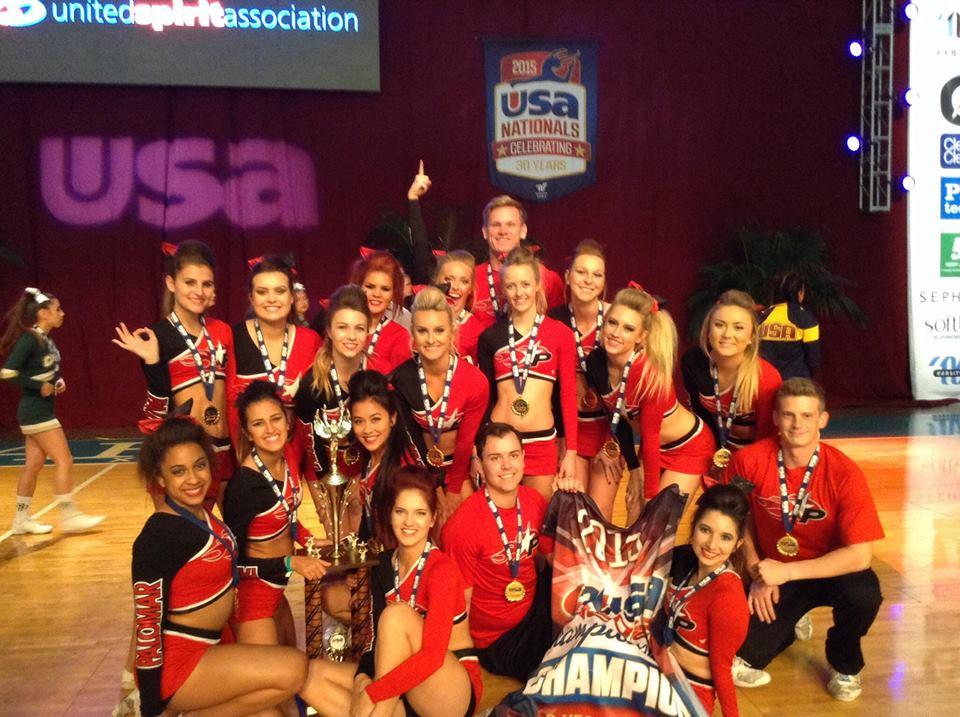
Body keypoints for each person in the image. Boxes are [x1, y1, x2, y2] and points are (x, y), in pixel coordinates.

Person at [131, 415, 312, 716]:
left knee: (271, 713)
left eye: (199, 466)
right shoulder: (158, 536)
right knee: (294, 667)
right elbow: (147, 627)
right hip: (180, 667)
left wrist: (288, 563)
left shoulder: (204, 516)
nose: (193, 479)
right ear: (160, 478)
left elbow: (234, 571)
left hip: (211, 651)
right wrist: (152, 709)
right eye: (178, 472)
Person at [723, 378, 884, 702]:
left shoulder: (844, 473)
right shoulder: (749, 461)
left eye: (807, 416)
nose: (797, 424)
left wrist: (787, 573)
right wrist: (756, 572)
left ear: (822, 419)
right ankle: (791, 621)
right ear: (775, 418)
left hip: (829, 571)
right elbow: (737, 521)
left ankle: (845, 663)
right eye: (789, 415)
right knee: (745, 657)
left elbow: (859, 556)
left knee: (864, 594)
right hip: (773, 570)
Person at [300, 467, 482, 717]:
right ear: (390, 514)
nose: (409, 522)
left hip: (448, 686)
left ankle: (381, 710)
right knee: (310, 675)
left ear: (432, 518)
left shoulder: (442, 569)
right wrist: (363, 678)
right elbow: (373, 638)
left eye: (420, 513)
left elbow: (432, 657)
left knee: (397, 615)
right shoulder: (385, 564)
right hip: (401, 681)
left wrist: (375, 693)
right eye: (401, 512)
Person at [113, 240, 234, 507]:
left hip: (224, 450)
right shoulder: (158, 336)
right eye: (190, 282)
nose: (199, 291)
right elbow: (155, 415)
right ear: (171, 283)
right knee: (184, 535)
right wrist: (153, 363)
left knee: (232, 535)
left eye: (207, 284)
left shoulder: (223, 331)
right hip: (183, 454)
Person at [585, 287, 715, 520]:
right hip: (650, 449)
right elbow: (619, 422)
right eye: (612, 323)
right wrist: (635, 470)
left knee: (654, 523)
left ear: (641, 337)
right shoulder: (596, 362)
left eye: (628, 328)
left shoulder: (650, 375)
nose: (615, 333)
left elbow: (652, 437)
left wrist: (649, 496)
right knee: (632, 515)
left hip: (688, 447)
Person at [441, 422, 553, 682]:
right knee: (558, 671)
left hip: (531, 613)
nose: (507, 466)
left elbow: (551, 563)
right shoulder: (462, 526)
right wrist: (466, 672)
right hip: (498, 640)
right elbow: (460, 606)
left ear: (524, 459)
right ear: (479, 463)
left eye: (513, 455)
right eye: (495, 458)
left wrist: (570, 501)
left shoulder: (534, 501)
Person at [223, 381, 329, 647]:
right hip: (253, 599)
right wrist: (291, 563)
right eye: (258, 424)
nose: (270, 429)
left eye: (275, 419)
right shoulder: (244, 486)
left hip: (277, 591)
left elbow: (287, 516)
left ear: (287, 420)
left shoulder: (287, 460)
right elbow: (232, 563)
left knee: (294, 667)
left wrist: (309, 540)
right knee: (280, 678)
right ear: (247, 432)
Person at [477, 246, 579, 502]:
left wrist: (571, 451)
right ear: (503, 289)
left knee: (539, 520)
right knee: (501, 518)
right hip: (500, 442)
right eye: (511, 286)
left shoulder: (560, 334)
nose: (519, 292)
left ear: (536, 285)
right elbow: (484, 399)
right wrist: (474, 452)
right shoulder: (490, 337)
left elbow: (568, 394)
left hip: (542, 441)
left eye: (525, 284)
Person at [1, 287, 104, 534]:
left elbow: (44, 371)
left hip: (40, 409)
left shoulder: (46, 340)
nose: (62, 313)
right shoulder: (29, 339)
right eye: (57, 309)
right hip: (36, 411)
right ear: (44, 313)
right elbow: (8, 372)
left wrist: (56, 382)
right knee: (65, 460)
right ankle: (69, 515)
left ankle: (21, 521)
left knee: (33, 465)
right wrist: (39, 386)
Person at [392, 286, 488, 518]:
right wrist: (435, 487)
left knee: (462, 527)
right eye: (423, 331)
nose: (432, 339)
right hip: (418, 467)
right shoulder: (401, 379)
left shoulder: (475, 381)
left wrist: (453, 490)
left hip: (459, 468)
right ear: (413, 334)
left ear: (452, 332)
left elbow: (466, 441)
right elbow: (411, 439)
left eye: (439, 330)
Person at [654, 484, 750, 717]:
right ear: (693, 528)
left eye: (725, 537)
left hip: (690, 691)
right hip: (657, 673)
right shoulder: (684, 559)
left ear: (737, 544)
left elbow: (721, 668)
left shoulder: (729, 598)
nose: (711, 545)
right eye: (705, 530)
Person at [226, 255, 322, 445]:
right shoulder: (233, 338)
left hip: (300, 455)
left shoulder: (310, 340)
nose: (271, 299)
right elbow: (228, 408)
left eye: (280, 291)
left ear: (291, 297)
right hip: (248, 456)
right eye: (262, 292)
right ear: (251, 298)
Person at [681, 289, 781, 463]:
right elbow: (699, 416)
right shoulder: (693, 362)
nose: (727, 334)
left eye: (739, 327)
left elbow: (767, 439)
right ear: (708, 330)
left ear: (751, 336)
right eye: (719, 325)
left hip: (755, 459)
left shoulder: (767, 378)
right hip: (714, 453)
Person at [293, 285, 369, 514]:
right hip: (324, 474)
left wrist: (367, 478)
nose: (352, 336)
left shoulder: (374, 378)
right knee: (339, 540)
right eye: (343, 327)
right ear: (329, 330)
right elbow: (310, 447)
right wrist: (324, 491)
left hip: (365, 473)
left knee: (362, 544)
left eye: (359, 328)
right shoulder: (312, 386)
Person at [547, 239, 614, 492]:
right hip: (568, 432)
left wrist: (613, 440)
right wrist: (561, 438)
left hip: (605, 430)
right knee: (574, 513)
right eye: (581, 272)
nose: (588, 280)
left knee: (599, 518)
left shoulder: (615, 318)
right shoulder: (553, 319)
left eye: (597, 274)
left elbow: (627, 385)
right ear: (567, 276)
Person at [348, 369, 424, 543]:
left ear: (392, 418)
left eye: (375, 419)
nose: (367, 430)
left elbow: (410, 535)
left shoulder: (403, 471)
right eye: (358, 421)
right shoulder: (370, 457)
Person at [472, 195, 565, 323]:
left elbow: (558, 331)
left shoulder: (548, 279)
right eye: (495, 225)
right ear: (485, 232)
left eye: (510, 224)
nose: (503, 231)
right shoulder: (471, 278)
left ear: (523, 230)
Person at [348, 250, 412, 375]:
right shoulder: (342, 327)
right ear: (358, 286)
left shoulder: (399, 336)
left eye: (385, 289)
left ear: (393, 293)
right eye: (370, 286)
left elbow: (401, 387)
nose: (377, 294)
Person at [758, 272, 821, 380]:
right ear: (800, 293)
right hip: (796, 385)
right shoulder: (806, 319)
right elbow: (813, 359)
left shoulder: (762, 316)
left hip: (765, 381)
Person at [434, 250, 486, 364]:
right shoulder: (421, 319)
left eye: (464, 281)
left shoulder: (477, 331)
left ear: (471, 289)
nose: (455, 287)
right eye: (448, 280)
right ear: (436, 281)